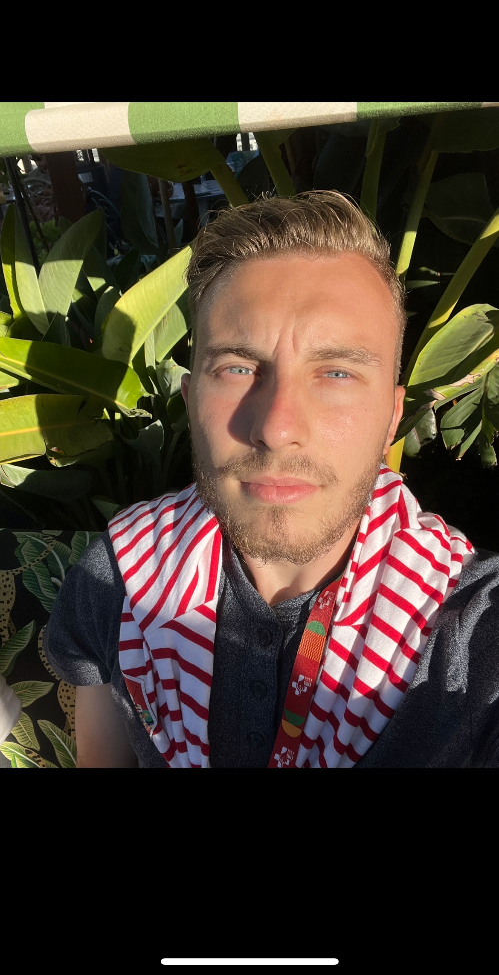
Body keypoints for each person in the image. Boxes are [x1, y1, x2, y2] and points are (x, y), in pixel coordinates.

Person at [44, 191, 499, 768]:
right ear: (190, 401)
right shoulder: (118, 577)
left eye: (336, 372)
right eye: (238, 368)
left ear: (391, 417)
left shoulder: (476, 635)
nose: (277, 429)